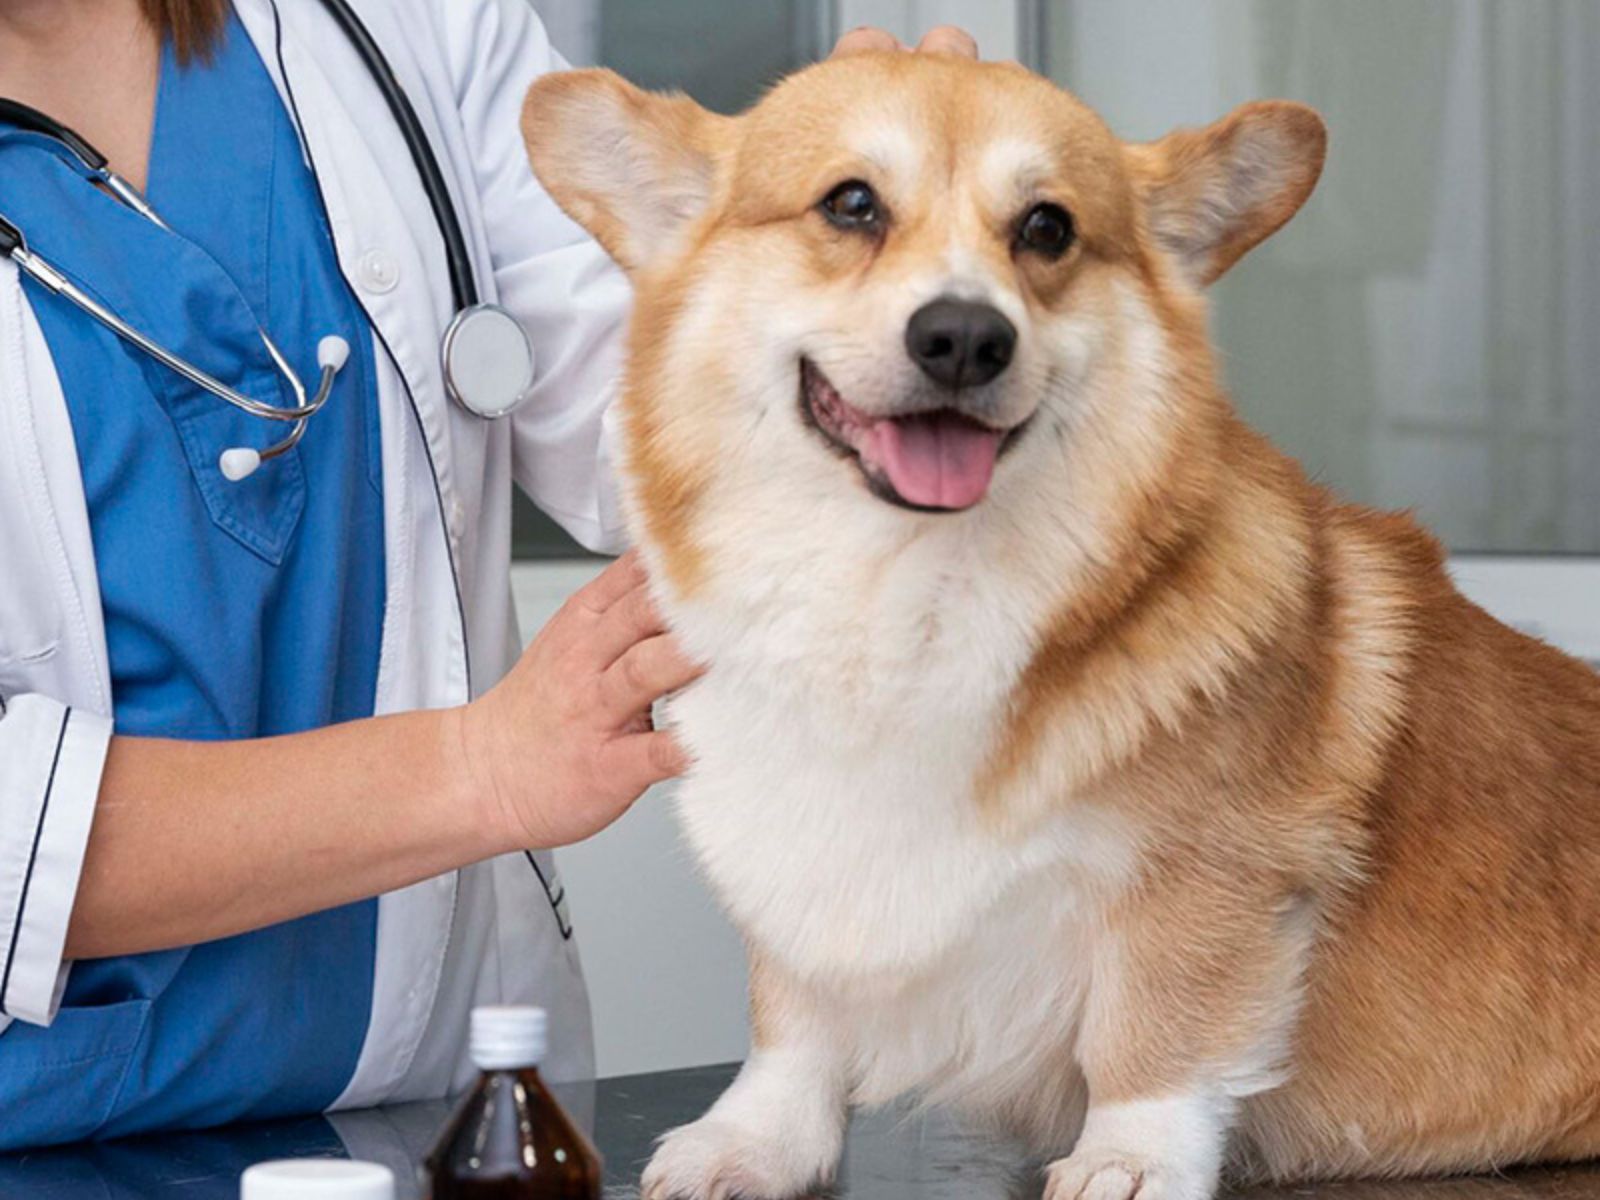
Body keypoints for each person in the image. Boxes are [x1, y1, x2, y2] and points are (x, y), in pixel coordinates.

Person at [0, 0, 975, 1151]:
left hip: (441, 1119)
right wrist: (478, 768)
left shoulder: (395, 22)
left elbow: (666, 427)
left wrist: (836, 266)